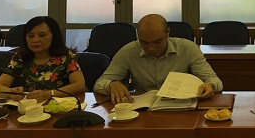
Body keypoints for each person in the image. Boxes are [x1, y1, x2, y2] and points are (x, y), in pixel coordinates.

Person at [94, 14, 223, 104]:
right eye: (144, 43)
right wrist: (112, 84)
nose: (151, 48)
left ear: (168, 33)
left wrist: (210, 86)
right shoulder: (129, 51)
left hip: (180, 106)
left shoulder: (188, 49)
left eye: (157, 42)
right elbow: (99, 84)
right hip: (143, 108)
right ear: (138, 36)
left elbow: (215, 81)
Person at [0, 16, 86, 102]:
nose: (35, 40)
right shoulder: (20, 58)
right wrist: (11, 92)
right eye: (30, 36)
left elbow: (79, 85)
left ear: (54, 36)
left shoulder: (66, 56)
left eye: (42, 35)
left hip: (58, 106)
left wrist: (49, 94)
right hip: (29, 107)